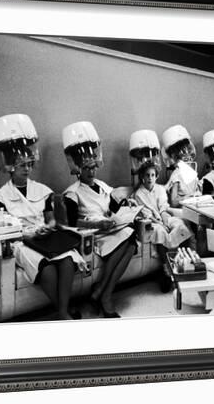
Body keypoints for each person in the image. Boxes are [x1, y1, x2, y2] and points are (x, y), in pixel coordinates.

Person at [0, 114, 86, 320]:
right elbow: (5, 230)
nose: (27, 169)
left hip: (45, 236)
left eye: (29, 164)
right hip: (20, 242)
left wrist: (48, 227)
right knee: (48, 270)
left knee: (68, 260)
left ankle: (61, 312)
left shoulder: (43, 190)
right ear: (11, 166)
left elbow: (50, 219)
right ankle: (64, 312)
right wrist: (27, 234)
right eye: (22, 165)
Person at [62, 121, 137, 318]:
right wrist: (96, 224)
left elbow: (113, 205)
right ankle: (105, 296)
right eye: (87, 168)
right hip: (94, 234)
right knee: (129, 242)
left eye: (94, 166)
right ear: (78, 167)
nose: (92, 171)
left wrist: (126, 205)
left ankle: (101, 290)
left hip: (110, 228)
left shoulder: (103, 185)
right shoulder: (72, 193)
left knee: (131, 241)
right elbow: (71, 223)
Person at [131, 161, 194, 292]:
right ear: (142, 177)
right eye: (147, 175)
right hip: (151, 221)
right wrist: (160, 223)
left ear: (156, 176)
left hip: (163, 216)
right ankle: (167, 269)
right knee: (161, 232)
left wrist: (166, 220)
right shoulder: (139, 194)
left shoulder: (160, 189)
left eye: (152, 175)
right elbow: (146, 213)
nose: (150, 178)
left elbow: (163, 208)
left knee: (180, 225)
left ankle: (186, 264)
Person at [161, 124, 200, 207]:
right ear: (175, 156)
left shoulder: (192, 173)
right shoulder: (176, 175)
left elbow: (197, 191)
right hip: (182, 210)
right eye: (183, 153)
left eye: (188, 149)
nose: (187, 155)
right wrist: (188, 198)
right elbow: (174, 202)